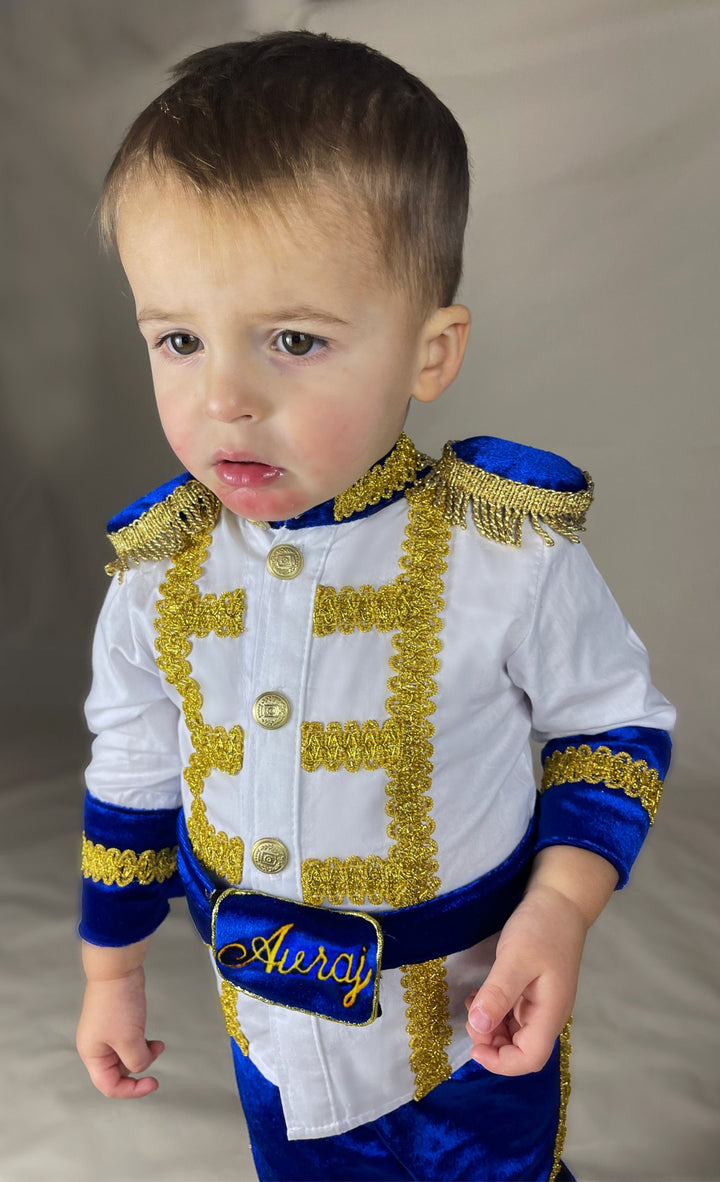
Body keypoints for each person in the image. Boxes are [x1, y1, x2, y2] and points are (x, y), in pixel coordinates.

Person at [75, 31, 674, 1182]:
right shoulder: (157, 579)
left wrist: (560, 911)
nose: (226, 400)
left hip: (470, 1020)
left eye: (294, 340)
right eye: (179, 340)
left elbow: (609, 729)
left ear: (430, 351)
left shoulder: (505, 552)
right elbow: (136, 767)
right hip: (271, 1034)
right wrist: (113, 970)